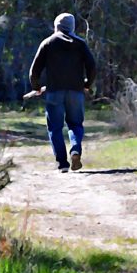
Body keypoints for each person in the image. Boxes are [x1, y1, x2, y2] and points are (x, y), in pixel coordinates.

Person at [28, 13, 97, 173]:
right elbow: (92, 67)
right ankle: (75, 150)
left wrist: (36, 87)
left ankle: (62, 164)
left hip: (54, 92)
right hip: (75, 92)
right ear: (72, 26)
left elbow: (34, 70)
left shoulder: (48, 43)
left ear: (56, 26)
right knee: (75, 124)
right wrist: (87, 83)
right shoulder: (80, 44)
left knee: (55, 128)